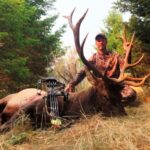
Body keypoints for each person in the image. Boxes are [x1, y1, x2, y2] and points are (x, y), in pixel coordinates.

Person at [65, 33, 137, 105]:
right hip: (102, 87)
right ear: (96, 43)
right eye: (98, 40)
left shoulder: (115, 56)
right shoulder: (93, 58)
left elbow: (126, 65)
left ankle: (114, 102)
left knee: (131, 95)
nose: (101, 42)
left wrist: (128, 51)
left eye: (102, 40)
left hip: (116, 85)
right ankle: (113, 102)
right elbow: (83, 72)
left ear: (106, 41)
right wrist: (71, 84)